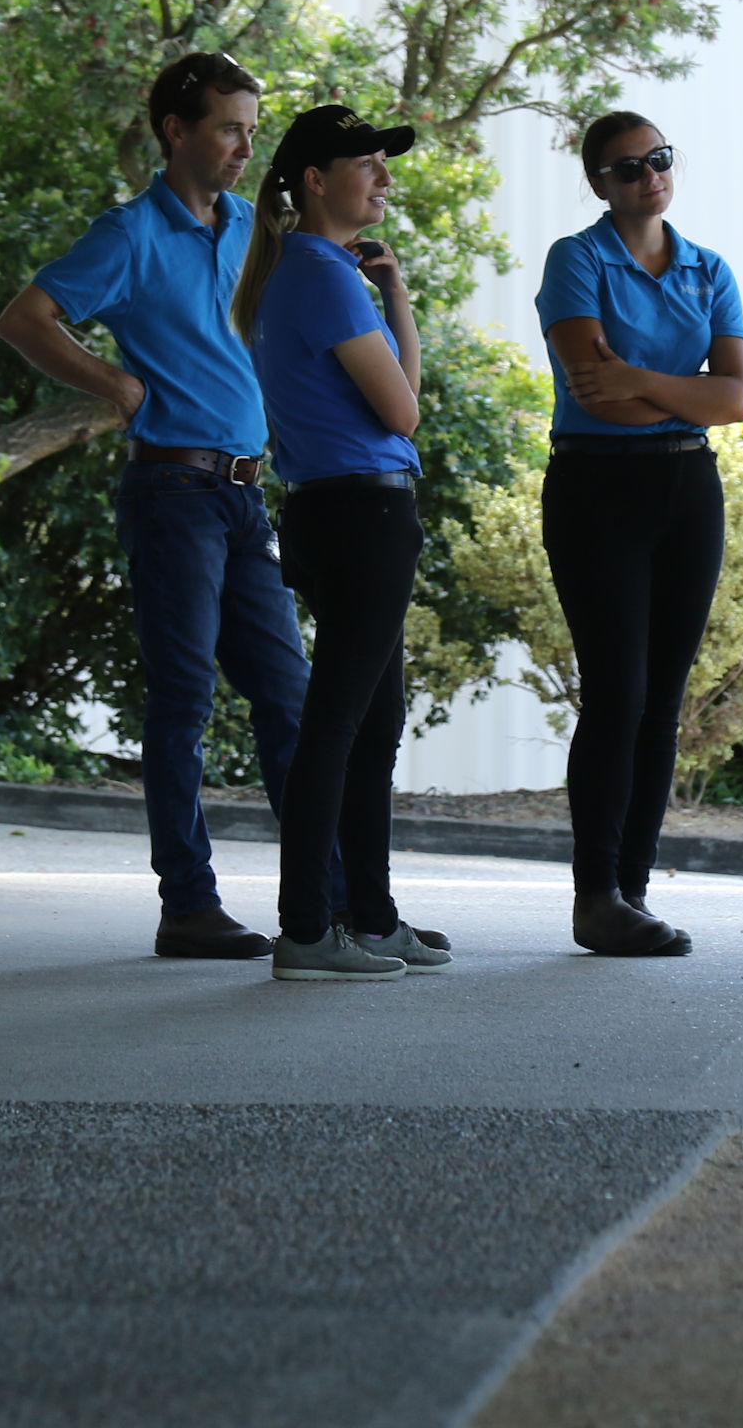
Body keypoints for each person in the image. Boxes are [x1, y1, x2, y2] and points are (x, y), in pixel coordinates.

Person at [0, 52, 315, 962]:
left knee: (290, 700)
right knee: (183, 698)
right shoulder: (130, 234)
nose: (245, 147)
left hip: (247, 497)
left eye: (252, 130)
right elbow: (24, 318)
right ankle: (188, 906)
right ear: (177, 131)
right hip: (174, 492)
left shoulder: (255, 226)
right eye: (228, 129)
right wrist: (118, 385)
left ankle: (325, 899)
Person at [236, 103, 450, 981]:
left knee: (372, 718)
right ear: (316, 181)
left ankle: (370, 916)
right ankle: (305, 928)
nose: (384, 177)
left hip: (336, 511)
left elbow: (404, 396)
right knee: (338, 724)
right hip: (363, 516)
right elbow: (403, 412)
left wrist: (395, 292)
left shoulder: (303, 270)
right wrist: (384, 300)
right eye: (367, 163)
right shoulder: (321, 277)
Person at [535, 114, 743, 958]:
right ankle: (595, 896)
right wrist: (680, 390)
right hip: (596, 486)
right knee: (616, 693)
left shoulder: (710, 268)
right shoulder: (576, 259)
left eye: (659, 159)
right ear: (600, 182)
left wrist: (639, 378)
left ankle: (632, 891)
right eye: (628, 168)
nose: (649, 176)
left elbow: (733, 400)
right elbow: (596, 395)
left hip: (688, 488)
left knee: (662, 702)